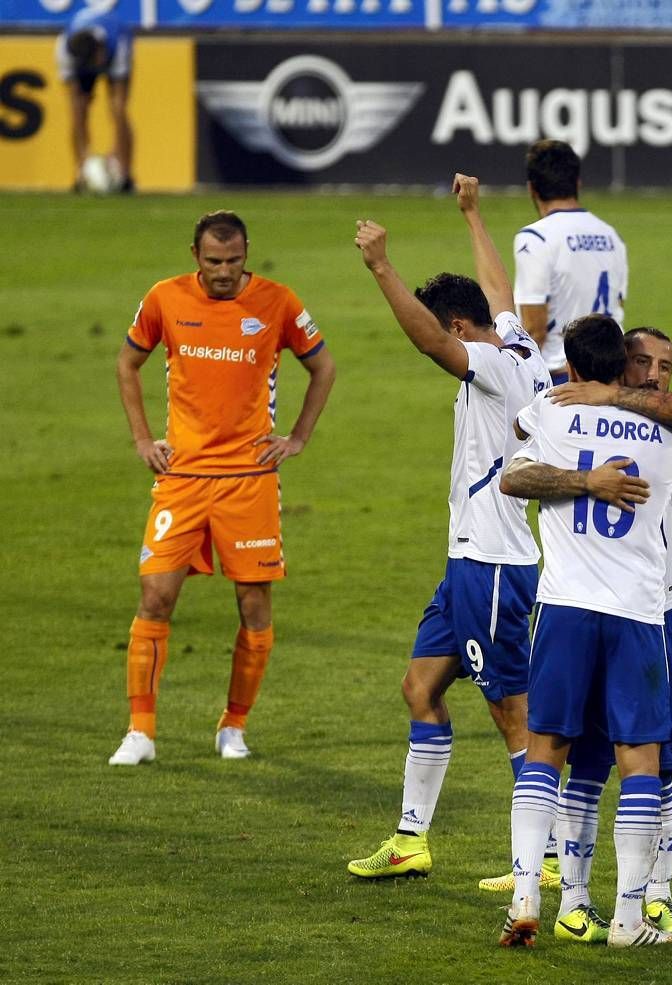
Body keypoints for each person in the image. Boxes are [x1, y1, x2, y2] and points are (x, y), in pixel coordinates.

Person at [346, 175, 552, 880]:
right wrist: (473, 215)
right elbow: (498, 293)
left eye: (450, 329)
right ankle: (410, 841)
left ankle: (547, 857)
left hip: (491, 565)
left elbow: (433, 341)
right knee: (420, 687)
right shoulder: (522, 344)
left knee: (511, 713)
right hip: (468, 561)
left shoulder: (491, 363)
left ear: (459, 329)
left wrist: (380, 266)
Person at [496, 314, 672, 949]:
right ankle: (628, 918)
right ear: (626, 365)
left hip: (563, 606)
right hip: (639, 614)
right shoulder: (670, 429)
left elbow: (514, 473)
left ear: (571, 363)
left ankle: (528, 894)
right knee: (639, 758)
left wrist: (579, 459)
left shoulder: (551, 410)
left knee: (546, 749)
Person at [108, 210, 335, 766]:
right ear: (196, 257)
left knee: (254, 606)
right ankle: (140, 732)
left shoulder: (278, 303)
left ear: (246, 254)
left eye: (234, 261)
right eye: (214, 262)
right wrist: (143, 440)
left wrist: (298, 437)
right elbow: (127, 363)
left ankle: (233, 726)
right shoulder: (164, 299)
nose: (225, 272)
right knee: (156, 596)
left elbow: (323, 367)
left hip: (248, 480)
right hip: (182, 477)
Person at [514, 140, 628, 385]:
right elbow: (617, 305)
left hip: (561, 379)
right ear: (578, 183)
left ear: (532, 189)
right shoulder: (612, 236)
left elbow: (534, 330)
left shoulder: (535, 238)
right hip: (611, 381)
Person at [56, 8, 135, 191]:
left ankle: (124, 173)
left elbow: (119, 101)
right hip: (81, 57)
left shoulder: (119, 43)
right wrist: (86, 160)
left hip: (114, 50)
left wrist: (115, 157)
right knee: (78, 109)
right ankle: (80, 171)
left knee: (118, 110)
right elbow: (75, 98)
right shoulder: (65, 50)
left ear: (100, 50)